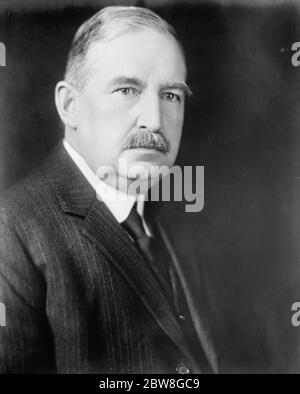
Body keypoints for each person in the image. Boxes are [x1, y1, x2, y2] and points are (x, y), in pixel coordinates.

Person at [0, 6, 217, 374]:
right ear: (69, 105)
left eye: (171, 96)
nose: (154, 119)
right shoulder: (12, 230)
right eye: (127, 89)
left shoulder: (178, 215)